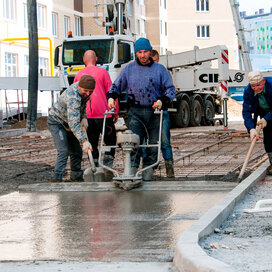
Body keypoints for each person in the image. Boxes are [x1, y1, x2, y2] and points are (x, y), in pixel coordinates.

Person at [107, 37, 176, 181]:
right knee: (133, 142)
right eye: (139, 52)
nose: (143, 55)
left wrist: (162, 100)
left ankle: (148, 169)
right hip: (135, 112)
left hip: (154, 112)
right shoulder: (129, 69)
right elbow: (116, 85)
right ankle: (132, 169)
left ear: (150, 52)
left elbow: (170, 89)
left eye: (145, 52)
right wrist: (112, 96)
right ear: (135, 53)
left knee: (153, 143)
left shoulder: (160, 70)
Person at [74, 50, 118, 175]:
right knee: (110, 140)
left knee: (92, 141)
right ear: (96, 59)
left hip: (87, 116)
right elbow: (112, 92)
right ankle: (108, 165)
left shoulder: (79, 75)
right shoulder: (103, 73)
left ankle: (95, 167)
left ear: (84, 60)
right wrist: (115, 112)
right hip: (104, 115)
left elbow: (76, 97)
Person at [47, 75, 95, 182]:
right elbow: (73, 123)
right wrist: (84, 141)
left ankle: (76, 177)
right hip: (57, 122)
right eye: (85, 91)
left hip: (69, 122)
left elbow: (81, 107)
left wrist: (84, 117)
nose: (87, 93)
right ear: (79, 87)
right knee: (64, 150)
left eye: (90, 91)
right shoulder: (73, 96)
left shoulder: (84, 92)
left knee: (77, 150)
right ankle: (56, 178)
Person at [150, 49, 175, 178]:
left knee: (164, 141)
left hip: (162, 111)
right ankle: (150, 169)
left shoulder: (162, 72)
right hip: (148, 112)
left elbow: (170, 90)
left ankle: (169, 170)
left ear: (157, 59)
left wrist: (162, 101)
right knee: (150, 141)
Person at [242, 70, 272, 175]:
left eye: (258, 85)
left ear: (263, 81)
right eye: (253, 86)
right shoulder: (248, 91)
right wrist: (251, 128)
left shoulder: (271, 85)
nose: (256, 88)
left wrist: (267, 118)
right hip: (263, 112)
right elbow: (246, 112)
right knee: (268, 141)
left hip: (269, 113)